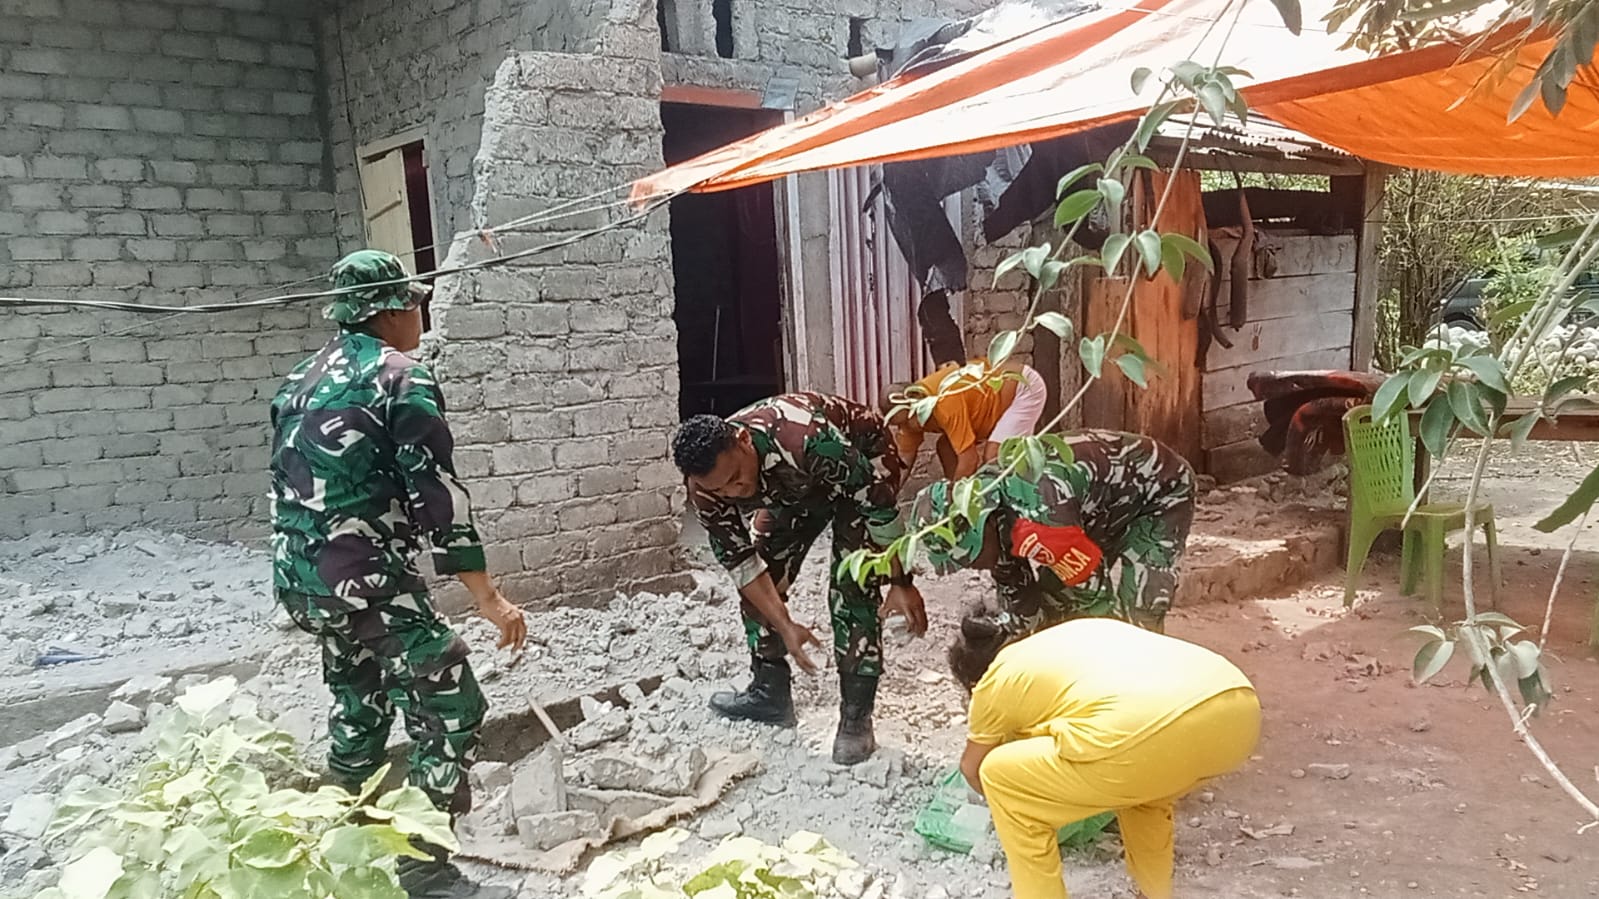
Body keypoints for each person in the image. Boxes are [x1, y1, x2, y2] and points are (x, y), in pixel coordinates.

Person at [269, 249, 527, 899]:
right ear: (388, 310)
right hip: (364, 578)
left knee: (358, 697)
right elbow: (438, 494)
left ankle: (345, 834)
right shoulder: (399, 375)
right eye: (414, 302)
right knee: (450, 693)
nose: (422, 312)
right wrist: (489, 599)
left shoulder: (297, 378)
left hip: (300, 578)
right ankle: (422, 860)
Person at [671, 392, 928, 764]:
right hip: (794, 488)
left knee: (852, 585)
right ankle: (769, 692)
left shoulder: (806, 438)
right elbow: (743, 564)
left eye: (736, 479)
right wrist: (784, 624)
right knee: (762, 582)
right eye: (720, 489)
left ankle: (856, 719)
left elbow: (879, 505)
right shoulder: (706, 488)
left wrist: (902, 581)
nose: (733, 492)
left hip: (863, 464)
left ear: (743, 441)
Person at [956, 617, 1261, 899]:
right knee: (1144, 793)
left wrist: (1027, 807)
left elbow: (973, 768)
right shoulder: (1067, 635)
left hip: (1147, 732)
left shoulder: (993, 681)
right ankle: (1154, 892)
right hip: (1237, 710)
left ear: (972, 682)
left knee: (999, 776)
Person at [914, 429, 1195, 665]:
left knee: (1138, 616)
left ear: (985, 522)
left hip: (1159, 492)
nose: (972, 566)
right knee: (1057, 603)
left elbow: (1096, 603)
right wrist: (1002, 631)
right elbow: (1020, 601)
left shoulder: (1042, 516)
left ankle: (1143, 698)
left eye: (971, 556)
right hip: (1095, 508)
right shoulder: (990, 512)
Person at [883, 357, 1048, 480]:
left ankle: (1004, 512)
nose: (906, 428)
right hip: (991, 405)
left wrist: (955, 503)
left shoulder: (945, 403)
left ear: (916, 399)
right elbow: (904, 461)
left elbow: (969, 460)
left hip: (1023, 388)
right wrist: (889, 496)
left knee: (994, 457)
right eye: (900, 425)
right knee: (945, 446)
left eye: (906, 422)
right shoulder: (909, 415)